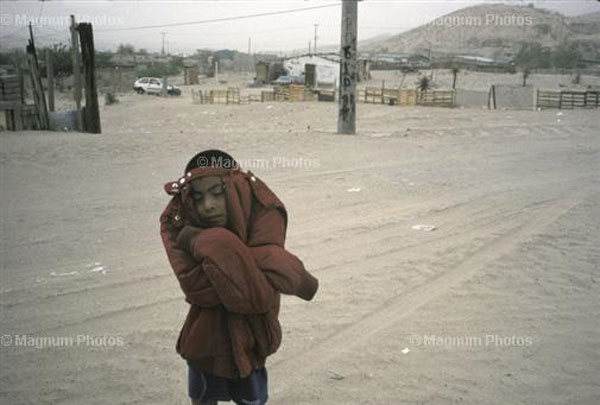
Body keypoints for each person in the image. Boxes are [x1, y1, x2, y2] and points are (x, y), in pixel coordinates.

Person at [159, 149, 319, 404]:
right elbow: (198, 286)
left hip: (252, 341)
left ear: (236, 189)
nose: (207, 205)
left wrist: (199, 239)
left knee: (252, 399)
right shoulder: (180, 224)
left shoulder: (260, 214)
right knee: (203, 397)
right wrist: (268, 265)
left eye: (217, 193)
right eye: (198, 197)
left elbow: (258, 298)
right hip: (205, 343)